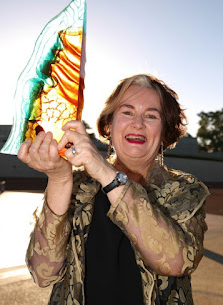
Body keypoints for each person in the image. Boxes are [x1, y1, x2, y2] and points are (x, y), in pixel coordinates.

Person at [18, 74, 209, 305]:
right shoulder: (76, 187)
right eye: (127, 112)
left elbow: (177, 262)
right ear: (108, 125)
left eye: (151, 115)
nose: (138, 123)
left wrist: (105, 173)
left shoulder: (185, 189)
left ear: (165, 132)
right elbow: (43, 273)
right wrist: (59, 179)